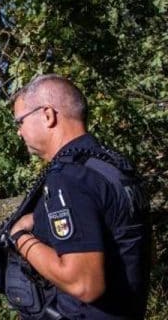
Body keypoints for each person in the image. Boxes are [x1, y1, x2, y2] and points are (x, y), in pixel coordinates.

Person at [8, 74, 150, 319]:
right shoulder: (112, 166)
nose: (19, 132)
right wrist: (39, 218)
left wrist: (20, 237)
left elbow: (83, 285)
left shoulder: (69, 178)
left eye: (19, 121)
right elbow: (143, 249)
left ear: (47, 115)